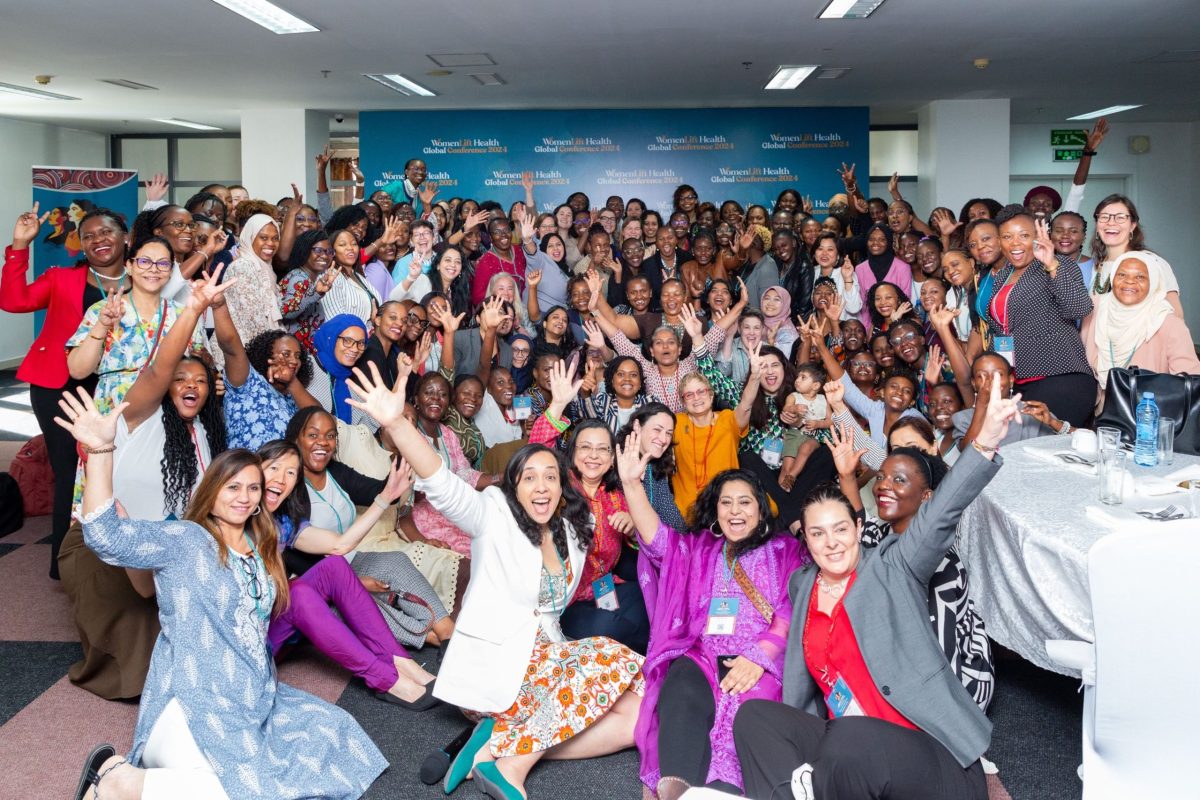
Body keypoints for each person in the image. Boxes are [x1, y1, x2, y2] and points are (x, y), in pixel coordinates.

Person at [62, 395, 386, 800]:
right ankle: (116, 782)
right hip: (188, 704)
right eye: (232, 486)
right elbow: (104, 536)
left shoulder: (262, 543)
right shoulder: (187, 539)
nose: (244, 497)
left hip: (248, 702)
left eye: (253, 488)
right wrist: (100, 450)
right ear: (212, 490)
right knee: (246, 792)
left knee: (333, 738)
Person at [344, 363, 644, 800]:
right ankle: (513, 768)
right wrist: (395, 424)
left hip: (545, 664)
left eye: (551, 478)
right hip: (497, 669)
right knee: (609, 654)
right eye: (529, 478)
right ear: (514, 486)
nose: (541, 486)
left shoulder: (570, 533)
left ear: (564, 486)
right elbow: (442, 484)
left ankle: (492, 747)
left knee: (637, 717)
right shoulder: (493, 514)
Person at [732, 377, 1019, 800]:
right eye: (817, 533)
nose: (831, 543)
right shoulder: (803, 584)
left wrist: (985, 441)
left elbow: (942, 512)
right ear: (805, 542)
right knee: (755, 717)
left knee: (852, 738)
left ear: (859, 527)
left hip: (928, 755)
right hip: (846, 748)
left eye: (840, 529)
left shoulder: (893, 567)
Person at [60, 270, 231, 700]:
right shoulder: (139, 415)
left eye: (201, 381)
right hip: (104, 545)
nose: (190, 385)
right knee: (141, 674)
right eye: (181, 379)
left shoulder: (207, 436)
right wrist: (193, 308)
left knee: (208, 662)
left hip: (166, 553)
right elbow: (158, 369)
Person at [617, 429, 806, 797]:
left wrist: (759, 657)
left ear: (761, 509)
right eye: (726, 503)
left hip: (763, 661)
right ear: (715, 512)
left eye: (745, 503)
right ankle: (678, 789)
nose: (735, 511)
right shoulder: (700, 548)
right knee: (681, 689)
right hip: (703, 654)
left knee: (749, 719)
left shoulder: (786, 550)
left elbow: (790, 607)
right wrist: (631, 485)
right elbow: (659, 543)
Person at [824, 411, 995, 711]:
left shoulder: (941, 564)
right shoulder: (879, 530)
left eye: (898, 480)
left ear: (928, 496)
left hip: (956, 682)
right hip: (900, 660)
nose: (883, 486)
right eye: (880, 478)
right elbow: (860, 530)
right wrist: (847, 477)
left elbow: (941, 653)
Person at [257, 439, 445, 709]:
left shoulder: (282, 523)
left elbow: (340, 545)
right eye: (273, 468)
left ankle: (400, 661)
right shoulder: (235, 516)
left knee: (334, 566)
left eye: (291, 473)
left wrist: (385, 497)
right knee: (296, 592)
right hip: (252, 640)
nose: (281, 479)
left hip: (273, 620)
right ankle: (385, 680)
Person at [3, 205, 130, 578]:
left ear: (125, 237)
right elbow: (13, 301)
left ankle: (119, 551)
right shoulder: (62, 278)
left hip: (117, 385)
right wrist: (19, 246)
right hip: (60, 384)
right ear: (81, 245)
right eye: (88, 236)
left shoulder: (144, 279)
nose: (98, 240)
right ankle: (67, 562)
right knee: (72, 468)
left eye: (106, 232)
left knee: (118, 464)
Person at [285, 406, 457, 648]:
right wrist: (351, 580)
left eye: (330, 435)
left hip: (348, 558)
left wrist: (404, 457)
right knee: (356, 601)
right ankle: (431, 639)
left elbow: (376, 491)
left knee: (395, 561)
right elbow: (292, 556)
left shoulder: (335, 471)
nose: (323, 442)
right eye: (313, 435)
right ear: (296, 438)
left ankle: (447, 630)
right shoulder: (286, 483)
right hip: (311, 578)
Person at [527, 361, 650, 652]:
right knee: (609, 631)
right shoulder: (558, 484)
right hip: (564, 599)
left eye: (602, 449)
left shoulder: (619, 493)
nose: (593, 456)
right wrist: (557, 405)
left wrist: (632, 530)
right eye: (585, 447)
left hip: (603, 587)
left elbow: (646, 540)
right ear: (573, 452)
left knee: (651, 603)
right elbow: (537, 450)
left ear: (612, 457)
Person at [977, 206, 1095, 428]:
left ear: (1038, 237)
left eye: (1024, 235)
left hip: (1059, 378)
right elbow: (1002, 327)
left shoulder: (1059, 265)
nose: (1015, 243)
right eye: (1007, 237)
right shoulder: (1003, 274)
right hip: (1019, 381)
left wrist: (1051, 263)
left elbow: (1079, 308)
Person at [1082, 251, 1200, 407]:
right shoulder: (1095, 307)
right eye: (1122, 275)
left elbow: (1191, 380)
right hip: (1097, 406)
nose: (1130, 282)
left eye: (1140, 277)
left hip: (1148, 412)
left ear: (1153, 282)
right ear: (1113, 278)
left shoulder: (1168, 322)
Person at [671, 371, 748, 534]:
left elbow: (746, 406)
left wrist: (755, 377)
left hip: (727, 510)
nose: (696, 398)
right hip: (685, 514)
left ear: (711, 395)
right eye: (689, 395)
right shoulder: (676, 423)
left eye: (701, 391)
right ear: (683, 402)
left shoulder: (727, 419)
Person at [1089, 194, 1185, 318]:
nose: (1111, 223)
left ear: (1133, 225)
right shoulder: (1096, 265)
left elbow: (1176, 315)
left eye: (1120, 217)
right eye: (1104, 217)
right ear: (1097, 225)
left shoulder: (1151, 262)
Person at [220, 213, 283, 346]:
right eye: (263, 238)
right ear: (250, 237)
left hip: (261, 345)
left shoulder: (266, 268)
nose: (270, 243)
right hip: (244, 348)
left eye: (275, 238)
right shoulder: (243, 266)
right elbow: (252, 319)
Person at [278, 229, 335, 354]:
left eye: (329, 252)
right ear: (304, 251)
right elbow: (286, 311)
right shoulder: (299, 278)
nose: (325, 256)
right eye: (318, 250)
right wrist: (316, 294)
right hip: (293, 353)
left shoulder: (308, 279)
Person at [778, 364, 831, 492]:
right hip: (794, 434)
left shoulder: (824, 400)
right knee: (787, 464)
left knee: (806, 448)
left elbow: (830, 421)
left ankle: (792, 477)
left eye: (803, 377)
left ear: (816, 386)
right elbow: (786, 408)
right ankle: (780, 491)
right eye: (797, 377)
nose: (797, 380)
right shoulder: (793, 396)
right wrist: (794, 408)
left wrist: (818, 424)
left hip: (812, 436)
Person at [854, 223, 912, 328]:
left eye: (882, 239)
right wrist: (867, 331)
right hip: (870, 327)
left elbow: (905, 301)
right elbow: (863, 306)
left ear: (889, 242)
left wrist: (893, 324)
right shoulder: (860, 269)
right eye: (871, 239)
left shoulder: (903, 268)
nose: (875, 243)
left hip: (898, 324)